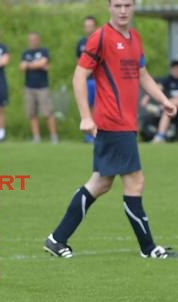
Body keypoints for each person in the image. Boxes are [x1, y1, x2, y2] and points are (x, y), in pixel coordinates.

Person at [44, 0, 178, 259]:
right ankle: (149, 249)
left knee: (101, 183)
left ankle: (56, 238)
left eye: (128, 5)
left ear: (134, 6)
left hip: (126, 123)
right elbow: (79, 76)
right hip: (113, 122)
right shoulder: (100, 38)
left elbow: (142, 74)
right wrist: (85, 116)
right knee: (134, 181)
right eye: (117, 5)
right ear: (109, 7)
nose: (123, 10)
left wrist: (163, 101)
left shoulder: (135, 37)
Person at [20, 32, 58, 143]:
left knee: (48, 112)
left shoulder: (44, 51)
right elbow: (22, 67)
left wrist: (29, 65)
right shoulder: (25, 53)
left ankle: (54, 136)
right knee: (32, 113)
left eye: (34, 39)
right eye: (30, 39)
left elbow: (43, 63)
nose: (32, 41)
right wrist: (37, 65)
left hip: (42, 87)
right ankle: (36, 137)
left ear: (38, 40)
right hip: (29, 87)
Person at [140, 60, 178, 143]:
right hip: (172, 109)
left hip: (171, 105)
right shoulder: (168, 80)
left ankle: (160, 109)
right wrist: (146, 99)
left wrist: (169, 102)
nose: (176, 71)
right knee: (167, 111)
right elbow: (157, 89)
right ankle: (160, 136)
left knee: (173, 103)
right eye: (174, 69)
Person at [76, 16, 98, 143]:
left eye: (91, 26)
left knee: (98, 107)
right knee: (87, 106)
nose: (89, 28)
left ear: (95, 26)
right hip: (86, 81)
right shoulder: (81, 43)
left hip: (98, 81)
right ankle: (89, 135)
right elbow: (78, 62)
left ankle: (98, 132)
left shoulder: (99, 41)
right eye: (87, 26)